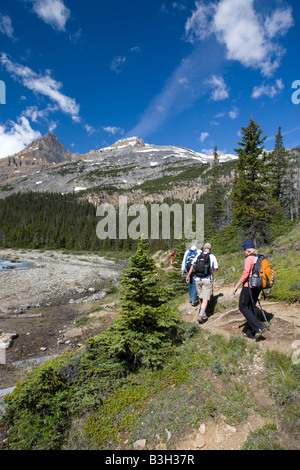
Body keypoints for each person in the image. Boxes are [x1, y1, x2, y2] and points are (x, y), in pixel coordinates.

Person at [233, 240, 266, 340]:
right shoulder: (259, 257)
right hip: (257, 286)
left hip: (249, 286)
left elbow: (246, 273)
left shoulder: (249, 258)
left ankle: (259, 326)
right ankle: (251, 332)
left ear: (246, 250)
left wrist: (237, 285)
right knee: (251, 306)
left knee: (242, 306)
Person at [186, 243, 218, 323]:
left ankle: (202, 310)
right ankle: (201, 315)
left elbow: (192, 266)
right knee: (205, 298)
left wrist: (188, 276)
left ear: (204, 248)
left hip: (197, 279)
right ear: (210, 249)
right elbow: (216, 268)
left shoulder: (198, 255)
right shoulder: (212, 256)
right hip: (206, 279)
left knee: (200, 296)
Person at [181, 241, 200, 306]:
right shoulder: (199, 251)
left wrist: (183, 270)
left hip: (188, 269)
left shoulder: (187, 251)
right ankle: (194, 300)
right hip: (195, 269)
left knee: (189, 282)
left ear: (191, 244)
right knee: (194, 283)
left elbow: (184, 261)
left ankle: (190, 298)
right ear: (196, 244)